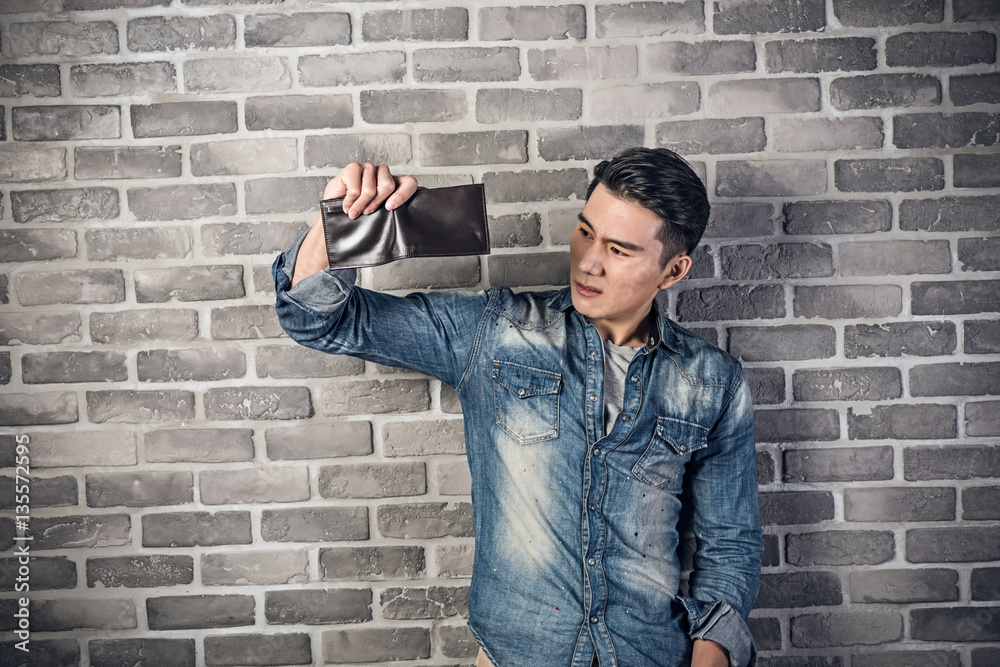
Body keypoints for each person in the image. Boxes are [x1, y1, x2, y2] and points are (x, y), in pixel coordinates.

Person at [273, 148, 762, 667]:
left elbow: (730, 545)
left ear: (672, 271)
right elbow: (318, 320)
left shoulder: (713, 381)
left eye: (619, 250)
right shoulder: (496, 330)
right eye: (586, 232)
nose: (588, 262)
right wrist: (336, 226)